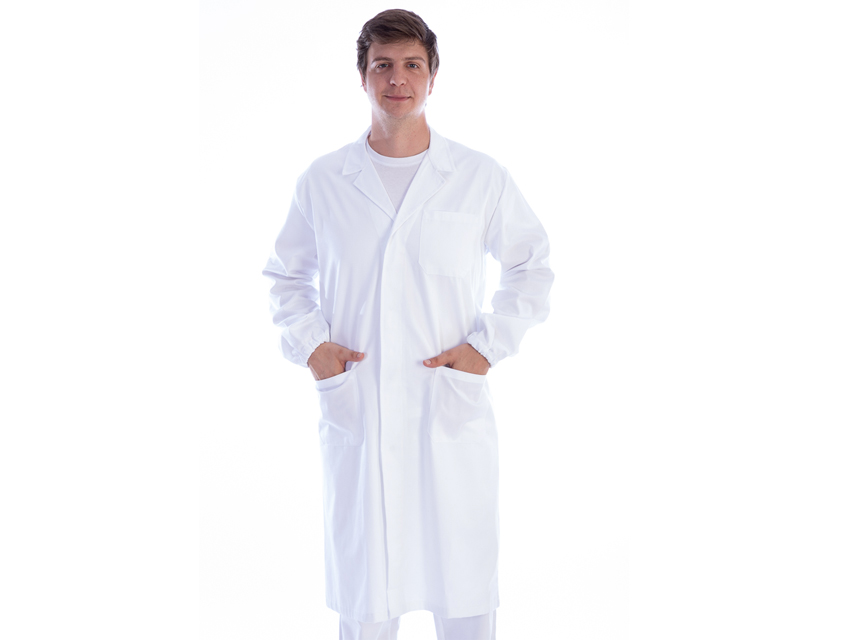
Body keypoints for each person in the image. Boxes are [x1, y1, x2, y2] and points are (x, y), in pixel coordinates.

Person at [261, 9, 554, 640]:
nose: (398, 79)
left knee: (464, 588)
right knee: (368, 596)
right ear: (362, 76)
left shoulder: (478, 177)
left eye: (412, 65)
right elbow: (285, 276)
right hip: (360, 408)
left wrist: (486, 347)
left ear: (433, 76)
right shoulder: (324, 180)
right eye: (383, 65)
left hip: (446, 410)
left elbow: (531, 267)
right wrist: (314, 348)